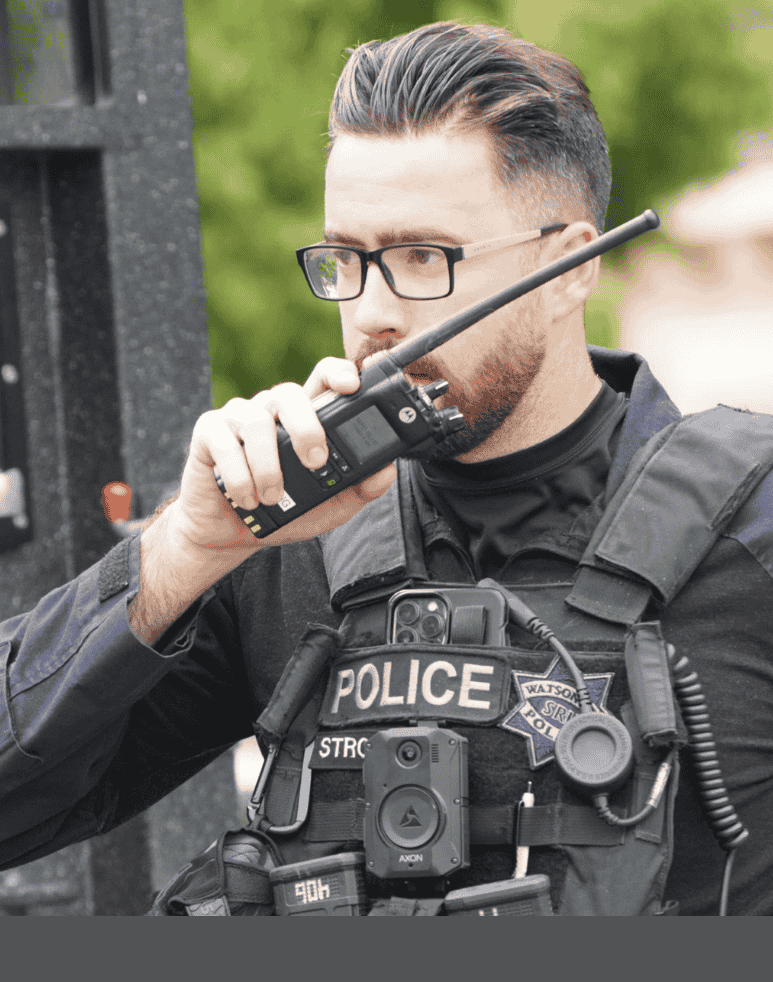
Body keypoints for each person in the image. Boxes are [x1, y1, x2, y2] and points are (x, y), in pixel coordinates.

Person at [1, 21, 772, 916]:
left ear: (566, 268)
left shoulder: (748, 527)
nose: (370, 313)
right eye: (345, 260)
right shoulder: (295, 534)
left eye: (420, 259)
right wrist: (183, 552)